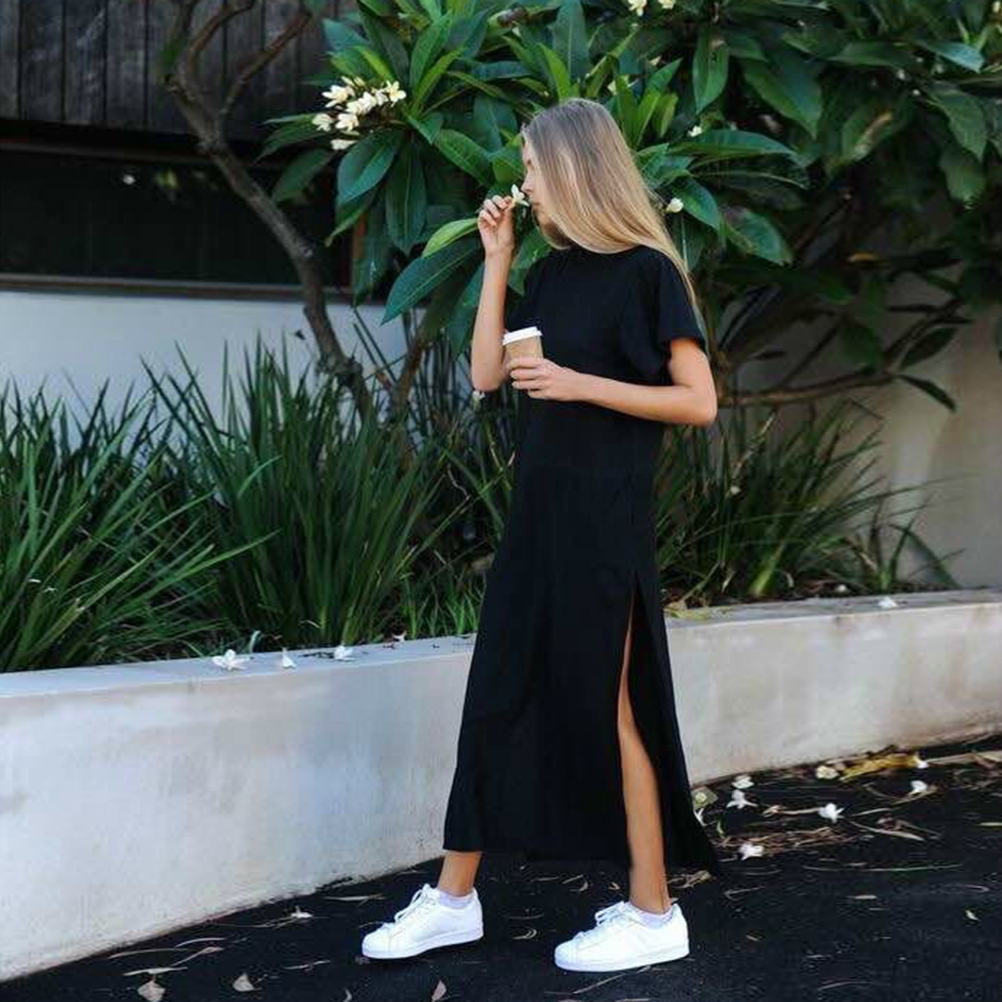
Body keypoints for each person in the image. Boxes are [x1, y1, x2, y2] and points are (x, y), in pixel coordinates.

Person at [362, 97, 723, 972]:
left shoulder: (649, 273)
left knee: (612, 708)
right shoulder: (552, 275)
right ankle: (453, 900)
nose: (523, 183)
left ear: (571, 168)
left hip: (604, 525)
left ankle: (654, 914)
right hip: (537, 519)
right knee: (496, 694)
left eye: (531, 166)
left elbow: (699, 403)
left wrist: (580, 383)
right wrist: (497, 261)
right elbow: (488, 374)